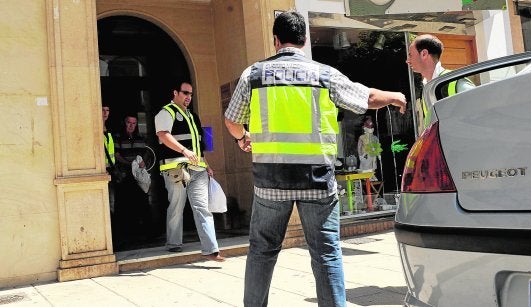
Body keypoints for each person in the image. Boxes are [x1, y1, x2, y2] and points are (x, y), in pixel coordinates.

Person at [224, 11, 406, 307]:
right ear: (305, 40)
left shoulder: (253, 75)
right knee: (326, 253)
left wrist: (243, 138)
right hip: (316, 181)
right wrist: (395, 95)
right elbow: (366, 99)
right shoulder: (323, 74)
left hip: (271, 182)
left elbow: (231, 119)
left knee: (261, 250)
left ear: (275, 41)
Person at [154, 80, 224, 261]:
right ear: (175, 93)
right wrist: (184, 150)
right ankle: (174, 243)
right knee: (177, 206)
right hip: (176, 169)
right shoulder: (166, 112)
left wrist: (206, 164)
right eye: (185, 93)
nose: (188, 97)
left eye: (191, 94)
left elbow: (198, 145)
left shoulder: (192, 116)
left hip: (198, 168)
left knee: (202, 207)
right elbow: (163, 135)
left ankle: (211, 249)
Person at [406, 34, 474, 129]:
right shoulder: (427, 88)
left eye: (410, 55)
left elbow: (480, 114)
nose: (407, 61)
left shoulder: (456, 82)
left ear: (424, 54)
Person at [113, 114, 151, 245]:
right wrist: (129, 165)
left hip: (138, 176)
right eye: (129, 123)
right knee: (125, 205)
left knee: (142, 202)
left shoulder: (140, 138)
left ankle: (145, 233)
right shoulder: (118, 137)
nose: (131, 126)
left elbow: (145, 153)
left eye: (134, 123)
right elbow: (116, 155)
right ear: (125, 123)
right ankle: (125, 235)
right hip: (124, 175)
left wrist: (143, 163)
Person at [102, 104, 116, 215]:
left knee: (112, 201)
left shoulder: (109, 128)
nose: (105, 113)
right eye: (102, 110)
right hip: (103, 170)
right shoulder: (96, 129)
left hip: (111, 169)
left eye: (107, 110)